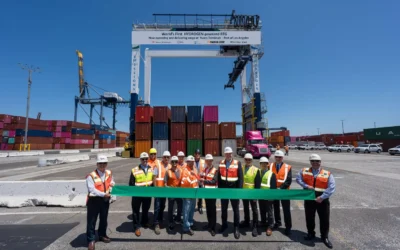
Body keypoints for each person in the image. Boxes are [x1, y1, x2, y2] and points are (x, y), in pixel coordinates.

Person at [296, 154, 335, 249]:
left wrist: (322, 197)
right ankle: (310, 233)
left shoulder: (327, 173)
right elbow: (298, 179)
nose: (315, 163)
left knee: (324, 219)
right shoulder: (304, 171)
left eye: (317, 161)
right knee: (309, 217)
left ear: (320, 162)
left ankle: (324, 237)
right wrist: (306, 186)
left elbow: (331, 187)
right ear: (310, 162)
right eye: (313, 161)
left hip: (322, 200)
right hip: (309, 199)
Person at [86, 154, 115, 250]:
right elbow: (92, 189)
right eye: (100, 163)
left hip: (105, 200)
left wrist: (112, 186)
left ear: (106, 164)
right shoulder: (91, 176)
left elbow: (111, 182)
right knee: (91, 221)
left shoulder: (109, 173)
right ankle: (91, 240)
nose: (102, 165)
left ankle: (102, 235)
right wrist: (104, 194)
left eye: (104, 163)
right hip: (94, 201)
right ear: (97, 164)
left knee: (103, 219)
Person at [217, 146, 244, 239]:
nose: (228, 155)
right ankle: (224, 224)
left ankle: (236, 227)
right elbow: (219, 177)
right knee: (223, 209)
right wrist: (220, 189)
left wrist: (239, 191)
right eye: (227, 153)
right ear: (224, 154)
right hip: (224, 190)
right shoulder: (221, 163)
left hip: (234, 190)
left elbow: (241, 178)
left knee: (235, 210)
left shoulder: (237, 163)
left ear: (232, 154)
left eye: (230, 153)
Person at [129, 152, 154, 237]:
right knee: (136, 211)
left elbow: (152, 182)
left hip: (147, 194)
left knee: (145, 209)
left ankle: (145, 222)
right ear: (140, 159)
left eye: (146, 159)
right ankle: (136, 227)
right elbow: (131, 184)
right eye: (143, 159)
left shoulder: (151, 169)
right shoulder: (134, 170)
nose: (145, 160)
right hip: (137, 195)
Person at [270, 150, 292, 235]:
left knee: (286, 210)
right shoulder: (271, 165)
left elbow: (288, 180)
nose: (278, 158)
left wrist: (281, 188)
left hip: (284, 192)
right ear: (274, 157)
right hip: (274, 191)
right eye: (276, 157)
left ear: (282, 158)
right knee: (276, 208)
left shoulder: (288, 167)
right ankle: (278, 222)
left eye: (280, 157)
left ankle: (288, 227)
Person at [240, 153, 261, 237]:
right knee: (245, 208)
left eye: (249, 160)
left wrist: (256, 195)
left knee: (254, 210)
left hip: (252, 193)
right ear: (244, 160)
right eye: (246, 159)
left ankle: (255, 226)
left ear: (252, 160)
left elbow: (258, 184)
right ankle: (246, 221)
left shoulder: (256, 170)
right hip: (244, 192)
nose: (248, 161)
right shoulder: (242, 168)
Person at [152, 151, 171, 235]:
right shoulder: (158, 165)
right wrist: (155, 189)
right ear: (162, 157)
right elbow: (154, 176)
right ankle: (156, 224)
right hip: (158, 190)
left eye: (168, 157)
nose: (166, 158)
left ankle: (160, 220)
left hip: (165, 191)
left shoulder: (170, 166)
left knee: (162, 206)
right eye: (165, 157)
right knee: (157, 207)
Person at [199, 154, 218, 236]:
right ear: (206, 162)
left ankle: (213, 228)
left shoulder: (215, 170)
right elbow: (201, 177)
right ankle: (209, 224)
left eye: (210, 161)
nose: (209, 162)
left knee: (212, 210)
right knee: (208, 209)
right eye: (207, 161)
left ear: (212, 161)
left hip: (213, 193)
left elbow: (214, 181)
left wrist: (204, 181)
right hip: (206, 192)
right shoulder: (205, 169)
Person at [180, 155, 199, 236]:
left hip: (194, 193)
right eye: (190, 161)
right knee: (186, 210)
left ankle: (190, 223)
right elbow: (183, 182)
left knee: (191, 209)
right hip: (187, 193)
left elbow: (196, 179)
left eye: (192, 161)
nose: (191, 163)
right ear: (187, 162)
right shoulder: (184, 170)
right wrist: (190, 176)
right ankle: (185, 227)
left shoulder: (194, 169)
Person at [258, 156, 277, 236]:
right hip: (260, 196)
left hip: (268, 197)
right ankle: (263, 222)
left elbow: (273, 187)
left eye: (265, 164)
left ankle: (270, 226)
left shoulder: (271, 174)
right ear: (260, 164)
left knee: (269, 212)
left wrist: (271, 197)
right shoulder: (258, 172)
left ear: (267, 164)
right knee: (262, 210)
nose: (263, 165)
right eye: (262, 164)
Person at [165, 156, 183, 232]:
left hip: (179, 192)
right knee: (171, 208)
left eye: (176, 162)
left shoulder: (180, 171)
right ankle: (170, 222)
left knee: (180, 206)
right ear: (171, 163)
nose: (174, 163)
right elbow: (165, 183)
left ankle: (178, 219)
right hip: (171, 193)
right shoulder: (168, 171)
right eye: (173, 162)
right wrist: (168, 188)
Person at [194, 148, 205, 214]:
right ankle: (193, 206)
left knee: (200, 195)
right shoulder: (192, 161)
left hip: (201, 180)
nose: (197, 155)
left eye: (198, 153)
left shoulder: (203, 161)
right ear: (194, 154)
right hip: (194, 180)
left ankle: (199, 206)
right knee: (194, 194)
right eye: (196, 153)